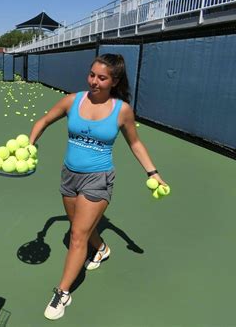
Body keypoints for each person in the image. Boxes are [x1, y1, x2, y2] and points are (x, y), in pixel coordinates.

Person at [29, 54, 167, 320]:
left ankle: (62, 292)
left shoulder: (121, 110)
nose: (94, 81)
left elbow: (135, 143)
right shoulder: (73, 100)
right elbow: (43, 121)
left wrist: (153, 172)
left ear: (114, 81)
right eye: (92, 74)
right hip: (69, 175)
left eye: (102, 78)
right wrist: (30, 143)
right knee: (77, 226)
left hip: (98, 178)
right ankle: (102, 249)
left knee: (78, 236)